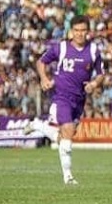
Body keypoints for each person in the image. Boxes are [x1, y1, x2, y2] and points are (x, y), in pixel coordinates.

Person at [25, 15, 104, 185]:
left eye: (83, 31)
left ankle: (38, 125)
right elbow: (41, 62)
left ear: (88, 32)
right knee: (67, 130)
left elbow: (100, 74)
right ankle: (68, 176)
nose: (79, 34)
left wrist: (93, 84)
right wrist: (44, 79)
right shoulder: (60, 48)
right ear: (71, 31)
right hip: (61, 96)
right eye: (76, 30)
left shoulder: (93, 51)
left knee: (64, 137)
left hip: (80, 99)